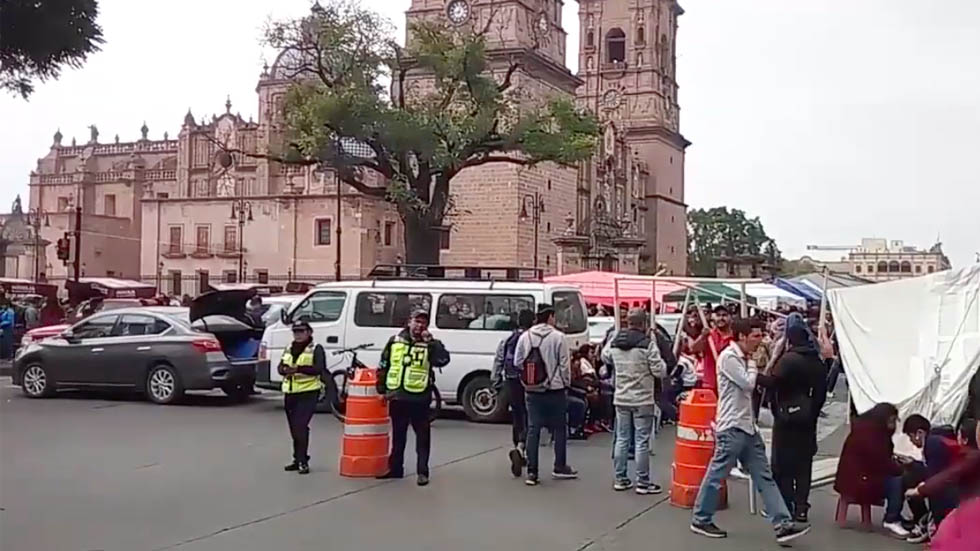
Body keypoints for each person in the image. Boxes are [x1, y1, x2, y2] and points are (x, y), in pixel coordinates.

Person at [689, 317, 810, 544]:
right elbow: (747, 383)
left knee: (764, 476)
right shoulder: (729, 357)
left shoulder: (740, 356)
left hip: (746, 426)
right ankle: (701, 517)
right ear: (742, 336)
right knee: (717, 474)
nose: (760, 340)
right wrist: (754, 364)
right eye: (755, 336)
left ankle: (782, 523)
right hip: (732, 426)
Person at [760, 313, 829, 523]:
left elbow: (773, 382)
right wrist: (812, 413)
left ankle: (786, 504)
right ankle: (801, 507)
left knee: (783, 466)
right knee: (803, 466)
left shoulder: (788, 359)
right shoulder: (816, 360)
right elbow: (822, 392)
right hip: (807, 420)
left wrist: (753, 374)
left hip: (786, 419)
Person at [377, 309, 450, 486]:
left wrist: (431, 342)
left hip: (419, 396)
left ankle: (422, 472)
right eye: (417, 321)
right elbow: (384, 362)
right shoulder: (395, 341)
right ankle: (395, 469)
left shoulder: (430, 344)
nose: (419, 326)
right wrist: (381, 387)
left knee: (422, 437)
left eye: (423, 323)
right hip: (397, 395)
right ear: (409, 322)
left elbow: (443, 360)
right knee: (398, 435)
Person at [602, 308, 666, 494]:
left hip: (621, 397)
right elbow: (659, 371)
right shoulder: (647, 345)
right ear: (644, 323)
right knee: (641, 441)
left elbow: (604, 356)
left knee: (622, 439)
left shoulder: (615, 342)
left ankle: (620, 479)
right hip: (643, 398)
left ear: (628, 322)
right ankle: (643, 482)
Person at [513, 303, 576, 486]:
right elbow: (564, 364)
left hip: (532, 389)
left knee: (533, 429)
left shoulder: (526, 336)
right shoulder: (559, 337)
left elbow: (518, 361)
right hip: (555, 390)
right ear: (550, 317)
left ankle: (532, 472)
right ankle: (560, 466)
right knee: (559, 428)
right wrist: (565, 383)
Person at [834, 402, 908, 538]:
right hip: (861, 480)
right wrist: (900, 468)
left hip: (861, 476)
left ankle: (895, 514)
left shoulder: (868, 429)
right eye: (892, 420)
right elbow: (880, 461)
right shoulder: (871, 434)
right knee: (898, 480)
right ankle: (891, 519)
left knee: (900, 476)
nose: (894, 425)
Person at [901, 414, 968, 540]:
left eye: (911, 437)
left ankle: (936, 531)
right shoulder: (935, 439)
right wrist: (913, 463)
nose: (911, 442)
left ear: (919, 433)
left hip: (952, 488)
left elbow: (935, 477)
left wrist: (919, 490)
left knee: (927, 489)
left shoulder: (932, 444)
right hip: (955, 482)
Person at [278, 320, 326, 475]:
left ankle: (303, 461)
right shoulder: (288, 348)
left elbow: (319, 369)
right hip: (290, 392)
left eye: (301, 331)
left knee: (300, 425)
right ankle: (297, 458)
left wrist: (298, 369)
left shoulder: (315, 348)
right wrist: (285, 370)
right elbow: (280, 367)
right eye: (295, 331)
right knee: (294, 428)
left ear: (309, 332)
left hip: (309, 392)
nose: (298, 334)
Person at [491, 308, 535, 477]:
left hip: (511, 381)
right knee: (530, 416)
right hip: (529, 382)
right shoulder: (531, 338)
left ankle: (518, 445)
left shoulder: (508, 339)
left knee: (517, 415)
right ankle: (523, 447)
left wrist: (495, 381)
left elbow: (499, 360)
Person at [691, 305, 734, 394]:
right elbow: (693, 349)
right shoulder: (709, 335)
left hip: (730, 384)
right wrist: (702, 336)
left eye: (724, 315)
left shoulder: (736, 337)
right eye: (718, 315)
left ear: (730, 317)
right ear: (713, 317)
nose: (721, 318)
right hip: (710, 384)